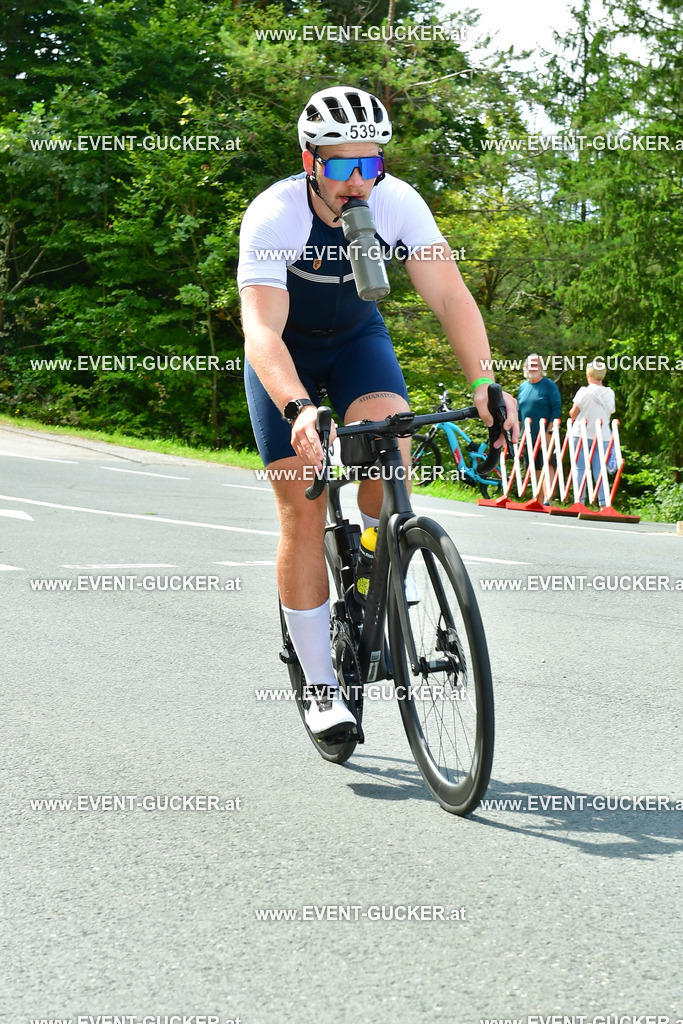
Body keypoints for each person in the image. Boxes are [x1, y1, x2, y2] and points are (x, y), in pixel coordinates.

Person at [238, 85, 518, 739]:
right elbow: (261, 332)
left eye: (370, 165)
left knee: (392, 440)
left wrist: (484, 382)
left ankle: (374, 553)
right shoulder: (274, 214)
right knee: (302, 511)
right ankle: (318, 687)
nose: (356, 182)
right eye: (340, 167)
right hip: (285, 361)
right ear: (309, 162)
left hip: (357, 344)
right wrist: (299, 408)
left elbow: (449, 296)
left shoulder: (394, 203)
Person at [517, 354, 562, 504]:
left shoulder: (549, 386)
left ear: (541, 367)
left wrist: (549, 432)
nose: (533, 367)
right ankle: (538, 499)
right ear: (526, 367)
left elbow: (556, 409)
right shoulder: (523, 387)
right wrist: (516, 434)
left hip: (545, 433)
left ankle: (547, 499)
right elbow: (519, 412)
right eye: (530, 364)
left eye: (536, 364)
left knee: (547, 464)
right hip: (527, 435)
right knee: (533, 467)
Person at [569, 362, 616, 507]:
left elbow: (573, 414)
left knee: (580, 469)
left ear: (589, 376)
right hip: (602, 436)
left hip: (581, 434)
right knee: (600, 471)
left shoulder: (583, 392)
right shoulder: (610, 393)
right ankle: (603, 504)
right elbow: (611, 411)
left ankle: (580, 502)